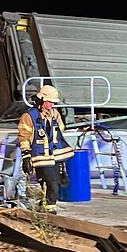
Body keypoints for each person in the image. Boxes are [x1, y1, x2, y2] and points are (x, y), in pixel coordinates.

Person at [17, 85, 73, 213]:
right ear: (41, 100)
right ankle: (50, 211)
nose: (52, 105)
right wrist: (26, 156)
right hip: (41, 157)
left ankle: (45, 207)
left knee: (55, 183)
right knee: (50, 183)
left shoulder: (54, 114)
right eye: (50, 102)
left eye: (53, 102)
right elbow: (24, 137)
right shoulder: (29, 116)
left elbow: (60, 130)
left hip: (54, 156)